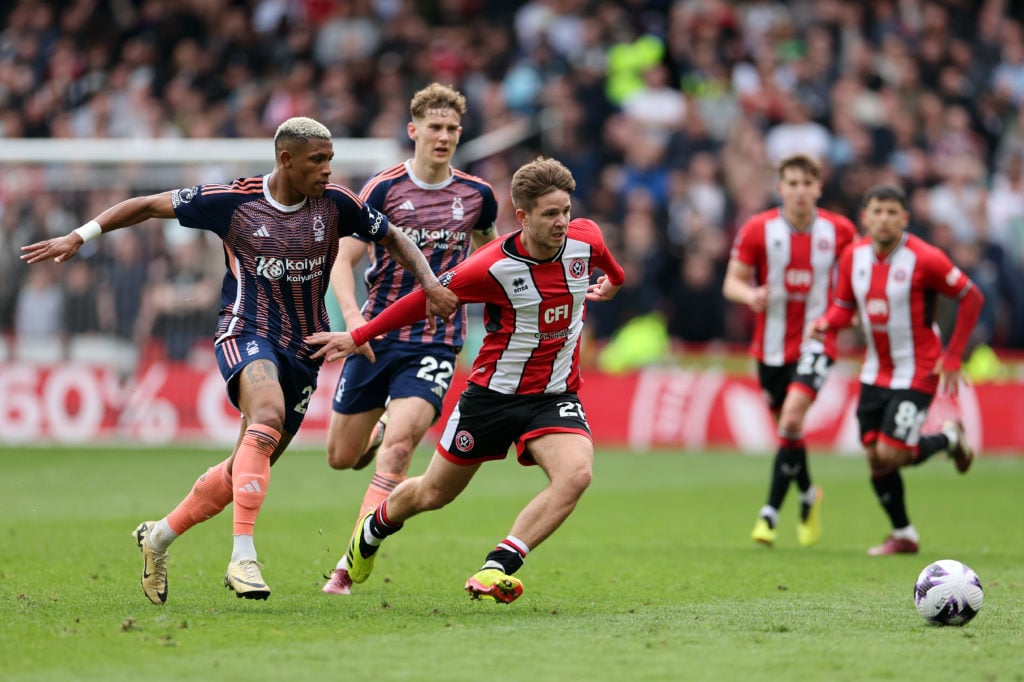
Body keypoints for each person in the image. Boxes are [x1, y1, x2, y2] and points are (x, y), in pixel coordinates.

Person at [21, 116, 458, 603]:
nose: (328, 170)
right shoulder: (233, 202)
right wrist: (81, 236)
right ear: (286, 159)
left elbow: (393, 236)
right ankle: (243, 557)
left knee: (246, 466)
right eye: (318, 160)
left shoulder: (336, 205)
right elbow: (146, 205)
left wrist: (432, 284)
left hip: (303, 349)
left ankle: (159, 536)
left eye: (331, 159)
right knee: (266, 415)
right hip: (245, 331)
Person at [306, 157, 624, 603]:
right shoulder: (490, 265)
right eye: (551, 214)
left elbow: (611, 266)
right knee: (433, 493)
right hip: (490, 399)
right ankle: (371, 531)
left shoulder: (585, 239)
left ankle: (499, 565)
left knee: (576, 474)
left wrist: (613, 281)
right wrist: (357, 333)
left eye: (566, 211)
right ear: (523, 217)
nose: (562, 222)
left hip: (553, 395)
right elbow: (422, 299)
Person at [321, 83, 498, 596]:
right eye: (434, 128)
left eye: (452, 130)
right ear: (413, 130)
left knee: (400, 448)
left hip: (437, 341)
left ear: (459, 135)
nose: (443, 137)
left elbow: (491, 261)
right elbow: (343, 259)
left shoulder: (477, 196)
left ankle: (350, 563)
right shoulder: (382, 190)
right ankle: (371, 435)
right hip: (378, 336)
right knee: (341, 456)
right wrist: (354, 319)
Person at [808, 183, 983, 556]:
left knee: (894, 453)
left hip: (918, 368)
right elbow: (843, 307)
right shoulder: (852, 257)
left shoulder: (925, 258)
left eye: (892, 212)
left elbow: (971, 296)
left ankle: (950, 439)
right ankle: (903, 533)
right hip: (876, 368)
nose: (885, 219)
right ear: (865, 217)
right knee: (873, 453)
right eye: (878, 211)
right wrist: (827, 322)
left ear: (904, 218)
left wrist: (953, 356)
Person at [722, 153, 857, 548]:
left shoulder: (840, 231)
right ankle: (808, 494)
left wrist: (842, 315)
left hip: (818, 340)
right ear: (780, 188)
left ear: (819, 187)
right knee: (790, 432)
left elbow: (856, 280)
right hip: (769, 348)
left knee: (793, 418)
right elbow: (732, 283)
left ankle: (769, 514)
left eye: (806, 183)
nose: (800, 191)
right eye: (792, 183)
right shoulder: (758, 229)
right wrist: (751, 294)